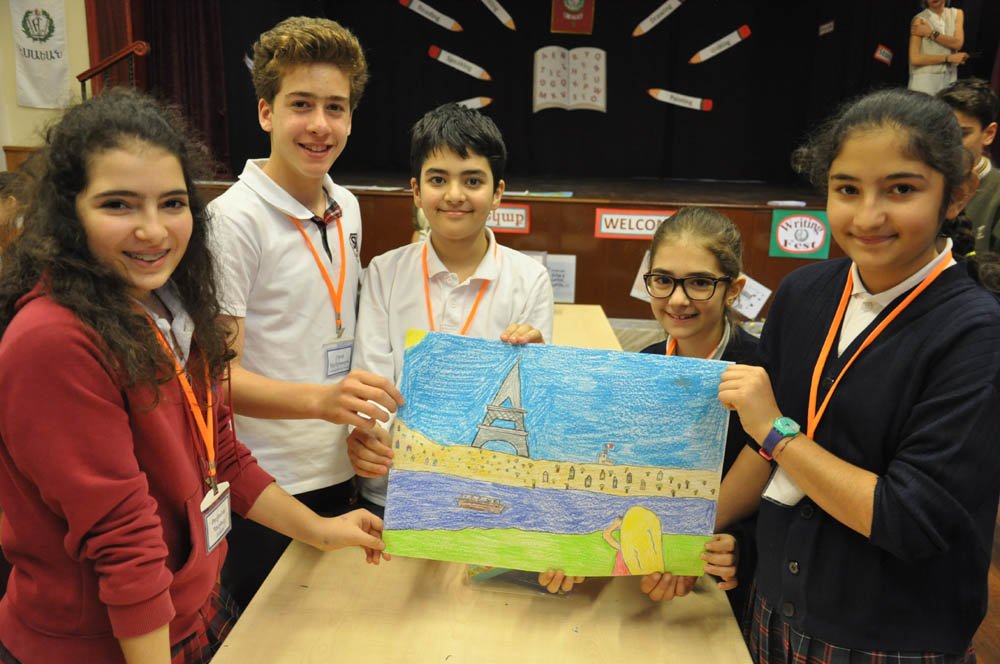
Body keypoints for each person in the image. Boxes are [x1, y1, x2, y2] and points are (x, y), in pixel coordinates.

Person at [0, 88, 387, 664]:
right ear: (68, 211)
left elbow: (221, 456)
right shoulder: (53, 340)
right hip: (107, 645)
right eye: (118, 205)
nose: (153, 230)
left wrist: (320, 530)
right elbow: (123, 543)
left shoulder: (166, 307)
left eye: (172, 203)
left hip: (192, 612)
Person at [715, 88, 999, 661]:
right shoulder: (803, 293)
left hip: (889, 637)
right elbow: (758, 451)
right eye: (847, 189)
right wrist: (677, 529)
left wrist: (777, 432)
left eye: (901, 189)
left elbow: (908, 518)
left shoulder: (976, 333)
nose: (868, 216)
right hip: (773, 604)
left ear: (957, 194)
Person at [208, 16, 404, 609]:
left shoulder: (348, 205)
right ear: (266, 112)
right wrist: (320, 401)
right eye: (301, 105)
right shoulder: (232, 221)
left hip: (341, 470)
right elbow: (218, 379)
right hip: (265, 486)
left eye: (335, 108)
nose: (320, 124)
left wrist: (350, 416)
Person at [346, 102, 554, 514]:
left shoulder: (530, 280)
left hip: (487, 492)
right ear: (416, 191)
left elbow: (534, 404)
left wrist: (539, 366)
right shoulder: (385, 272)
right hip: (393, 489)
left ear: (498, 193)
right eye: (438, 179)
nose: (455, 195)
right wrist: (369, 436)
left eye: (472, 180)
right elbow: (372, 380)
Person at [636, 206, 756, 623]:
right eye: (663, 280)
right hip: (642, 576)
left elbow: (785, 490)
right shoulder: (644, 364)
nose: (678, 299)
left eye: (700, 283)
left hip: (721, 599)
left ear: (733, 289)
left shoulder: (763, 372)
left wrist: (740, 546)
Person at [938, 78, 1000, 254]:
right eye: (942, 133)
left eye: (962, 134)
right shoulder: (924, 182)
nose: (950, 143)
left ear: (989, 134)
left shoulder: (996, 192)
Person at [908, 0, 969, 96]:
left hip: (949, 77)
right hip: (925, 77)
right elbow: (915, 59)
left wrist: (931, 33)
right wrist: (947, 58)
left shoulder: (956, 13)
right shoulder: (920, 19)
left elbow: (958, 43)